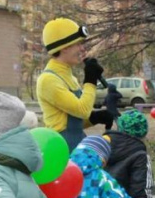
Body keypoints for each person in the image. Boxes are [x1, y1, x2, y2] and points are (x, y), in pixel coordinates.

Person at [36, 18, 109, 151]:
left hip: (76, 144)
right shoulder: (48, 80)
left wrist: (96, 117)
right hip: (60, 150)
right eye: (78, 44)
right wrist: (90, 80)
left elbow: (71, 122)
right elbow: (82, 110)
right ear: (64, 48)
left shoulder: (69, 77)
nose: (82, 48)